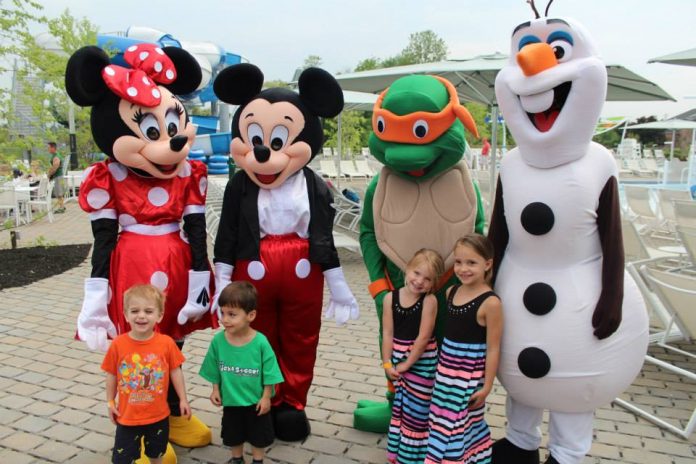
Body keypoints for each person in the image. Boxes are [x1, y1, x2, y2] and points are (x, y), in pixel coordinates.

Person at [425, 233, 503, 464]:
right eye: (458, 262)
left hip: (468, 379)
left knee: (460, 426)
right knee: (440, 422)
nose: (463, 269)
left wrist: (487, 386)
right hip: (445, 375)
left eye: (471, 262)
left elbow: (493, 348)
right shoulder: (451, 292)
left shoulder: (491, 303)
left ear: (487, 264)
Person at [102, 284, 191, 464]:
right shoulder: (118, 345)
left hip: (158, 416)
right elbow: (111, 374)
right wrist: (110, 401)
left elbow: (176, 371)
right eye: (135, 311)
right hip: (127, 417)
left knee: (157, 455)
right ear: (125, 314)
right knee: (122, 459)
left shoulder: (166, 343)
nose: (141, 316)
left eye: (148, 311)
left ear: (160, 315)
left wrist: (183, 399)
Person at [199, 281, 284, 464]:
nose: (225, 319)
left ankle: (258, 460)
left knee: (258, 435)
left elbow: (270, 373)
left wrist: (266, 397)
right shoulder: (218, 341)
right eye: (222, 313)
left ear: (250, 315)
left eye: (232, 314)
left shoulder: (260, 342)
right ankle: (237, 459)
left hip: (256, 402)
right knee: (233, 433)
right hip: (231, 401)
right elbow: (213, 368)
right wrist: (215, 389)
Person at [382, 248, 443, 464]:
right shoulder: (390, 298)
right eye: (417, 273)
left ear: (433, 283)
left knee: (418, 411)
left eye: (427, 279)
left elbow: (423, 337)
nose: (419, 281)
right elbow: (387, 333)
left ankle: (415, 457)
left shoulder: (429, 301)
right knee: (402, 407)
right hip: (399, 362)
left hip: (422, 364)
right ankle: (400, 452)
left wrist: (407, 364)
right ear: (407, 269)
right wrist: (387, 363)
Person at [46, 142, 65, 213]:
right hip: (59, 176)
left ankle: (61, 208)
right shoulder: (55, 155)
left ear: (53, 148)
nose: (48, 149)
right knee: (59, 192)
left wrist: (49, 175)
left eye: (49, 147)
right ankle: (62, 206)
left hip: (58, 176)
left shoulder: (56, 156)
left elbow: (55, 167)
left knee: (59, 193)